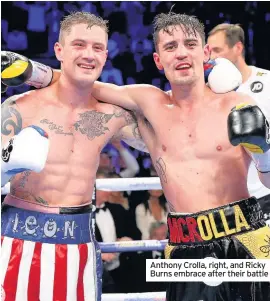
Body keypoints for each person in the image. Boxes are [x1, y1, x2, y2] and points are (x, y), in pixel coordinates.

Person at [2, 12, 270, 301]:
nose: (181, 53)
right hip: (183, 242)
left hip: (244, 233)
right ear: (157, 59)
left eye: (190, 44)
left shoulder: (238, 103)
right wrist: (32, 72)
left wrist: (265, 154)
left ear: (204, 53)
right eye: (170, 47)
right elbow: (80, 81)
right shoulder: (147, 103)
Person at [1, 12, 147, 301]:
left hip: (78, 243)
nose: (88, 55)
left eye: (96, 47)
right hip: (18, 240)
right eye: (79, 45)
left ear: (106, 55)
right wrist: (5, 166)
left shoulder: (112, 115)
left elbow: (164, 144)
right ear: (59, 50)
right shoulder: (19, 108)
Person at [207, 23, 270, 226]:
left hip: (265, 193)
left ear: (238, 48)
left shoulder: (268, 82)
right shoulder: (207, 92)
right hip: (226, 204)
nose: (212, 57)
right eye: (209, 51)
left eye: (217, 50)